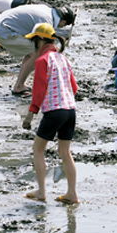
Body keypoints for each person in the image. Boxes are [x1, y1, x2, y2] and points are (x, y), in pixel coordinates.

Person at [20, 22, 78, 204]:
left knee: (37, 149)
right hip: (70, 110)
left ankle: (41, 191)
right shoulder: (63, 58)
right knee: (65, 151)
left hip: (55, 111)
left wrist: (31, 114)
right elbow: (74, 87)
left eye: (34, 41)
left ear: (40, 41)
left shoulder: (42, 61)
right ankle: (71, 193)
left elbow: (38, 90)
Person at [0, 4, 75, 95]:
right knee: (36, 53)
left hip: (0, 23)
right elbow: (43, 46)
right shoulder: (46, 21)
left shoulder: (46, 10)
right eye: (63, 25)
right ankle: (19, 86)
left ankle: (20, 84)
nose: (61, 27)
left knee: (31, 52)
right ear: (63, 21)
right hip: (4, 30)